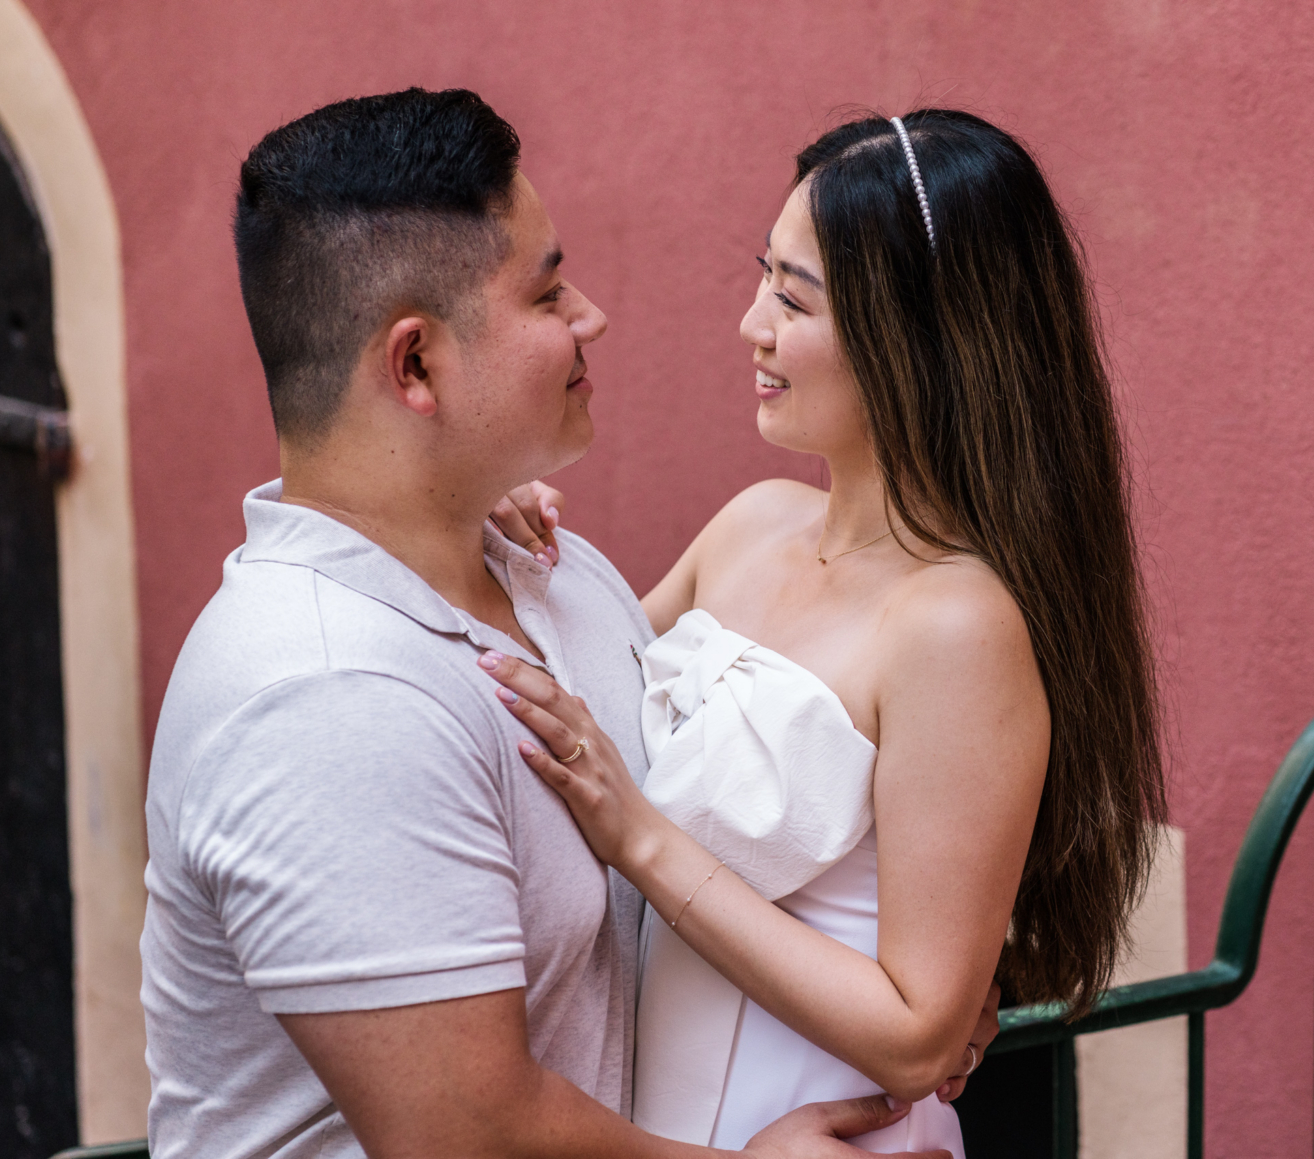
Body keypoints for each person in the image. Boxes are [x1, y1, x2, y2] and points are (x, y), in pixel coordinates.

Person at [139, 88, 967, 1159]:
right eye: (548, 294)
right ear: (416, 365)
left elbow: (723, 808)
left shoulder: (549, 568)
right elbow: (466, 1136)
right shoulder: (328, 692)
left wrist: (909, 990)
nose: (591, 318)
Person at [478, 110, 1166, 1157]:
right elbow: (564, 715)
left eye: (793, 298)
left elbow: (920, 1030)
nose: (751, 324)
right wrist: (486, 520)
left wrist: (644, 839)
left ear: (919, 337)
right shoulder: (750, 524)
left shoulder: (958, 623)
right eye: (763, 278)